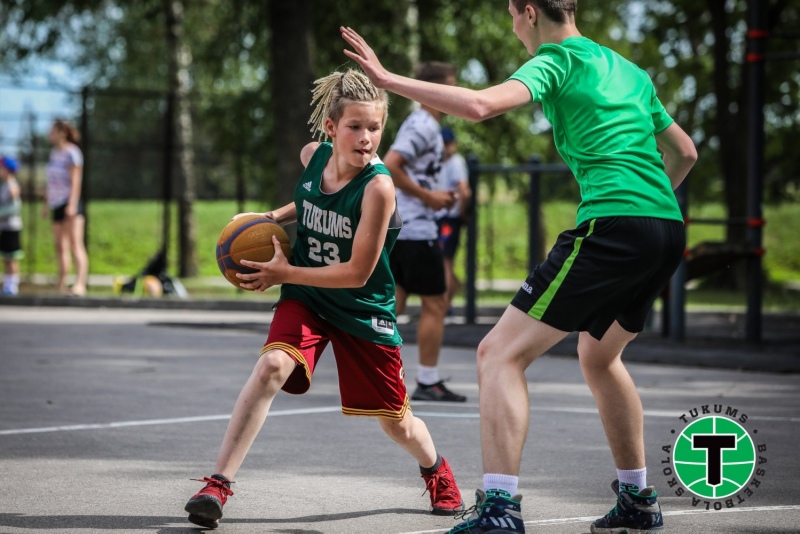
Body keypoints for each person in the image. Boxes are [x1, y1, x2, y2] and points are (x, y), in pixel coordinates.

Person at [341, 0, 698, 531]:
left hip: (614, 225)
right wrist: (646, 208)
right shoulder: (627, 69)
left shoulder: (558, 60)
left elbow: (481, 105)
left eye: (511, 16)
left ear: (529, 12)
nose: (512, 28)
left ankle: (501, 508)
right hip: (665, 227)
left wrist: (389, 79)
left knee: (498, 354)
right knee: (600, 357)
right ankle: (637, 498)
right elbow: (686, 153)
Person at [183, 69, 463, 530]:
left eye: (375, 128)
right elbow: (310, 198)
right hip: (309, 295)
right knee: (272, 366)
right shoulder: (313, 156)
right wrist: (269, 217)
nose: (367, 137)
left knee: (396, 423)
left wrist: (282, 272)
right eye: (355, 126)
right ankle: (218, 484)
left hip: (361, 306)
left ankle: (436, 469)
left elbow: (357, 272)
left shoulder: (378, 188)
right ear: (331, 129)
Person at [384, 61, 467, 403]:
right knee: (436, 302)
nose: (457, 94)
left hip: (405, 228)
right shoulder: (423, 125)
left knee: (390, 305)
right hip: (415, 230)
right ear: (436, 90)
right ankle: (427, 380)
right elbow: (390, 164)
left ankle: (373, 372)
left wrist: (435, 196)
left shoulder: (425, 124)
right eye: (452, 87)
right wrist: (430, 197)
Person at [43, 119, 89, 296]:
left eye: (52, 131)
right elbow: (51, 181)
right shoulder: (54, 153)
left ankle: (80, 284)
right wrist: (46, 204)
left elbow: (76, 181)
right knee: (60, 246)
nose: (50, 134)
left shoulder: (73, 153)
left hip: (70, 203)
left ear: (62, 132)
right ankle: (61, 284)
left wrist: (72, 204)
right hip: (55, 202)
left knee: (75, 244)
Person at [436, 127, 472, 315]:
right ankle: (448, 296)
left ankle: (444, 306)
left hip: (449, 219)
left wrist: (461, 211)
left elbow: (464, 191)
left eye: (448, 144)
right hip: (444, 217)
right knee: (442, 260)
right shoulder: (443, 162)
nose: (445, 147)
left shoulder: (456, 163)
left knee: (445, 261)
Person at [0, 156, 23, 296]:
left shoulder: (12, 186)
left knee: (12, 256)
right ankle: (7, 284)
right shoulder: (4, 185)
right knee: (5, 256)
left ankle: (12, 285)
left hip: (12, 227)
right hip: (4, 227)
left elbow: (14, 208)